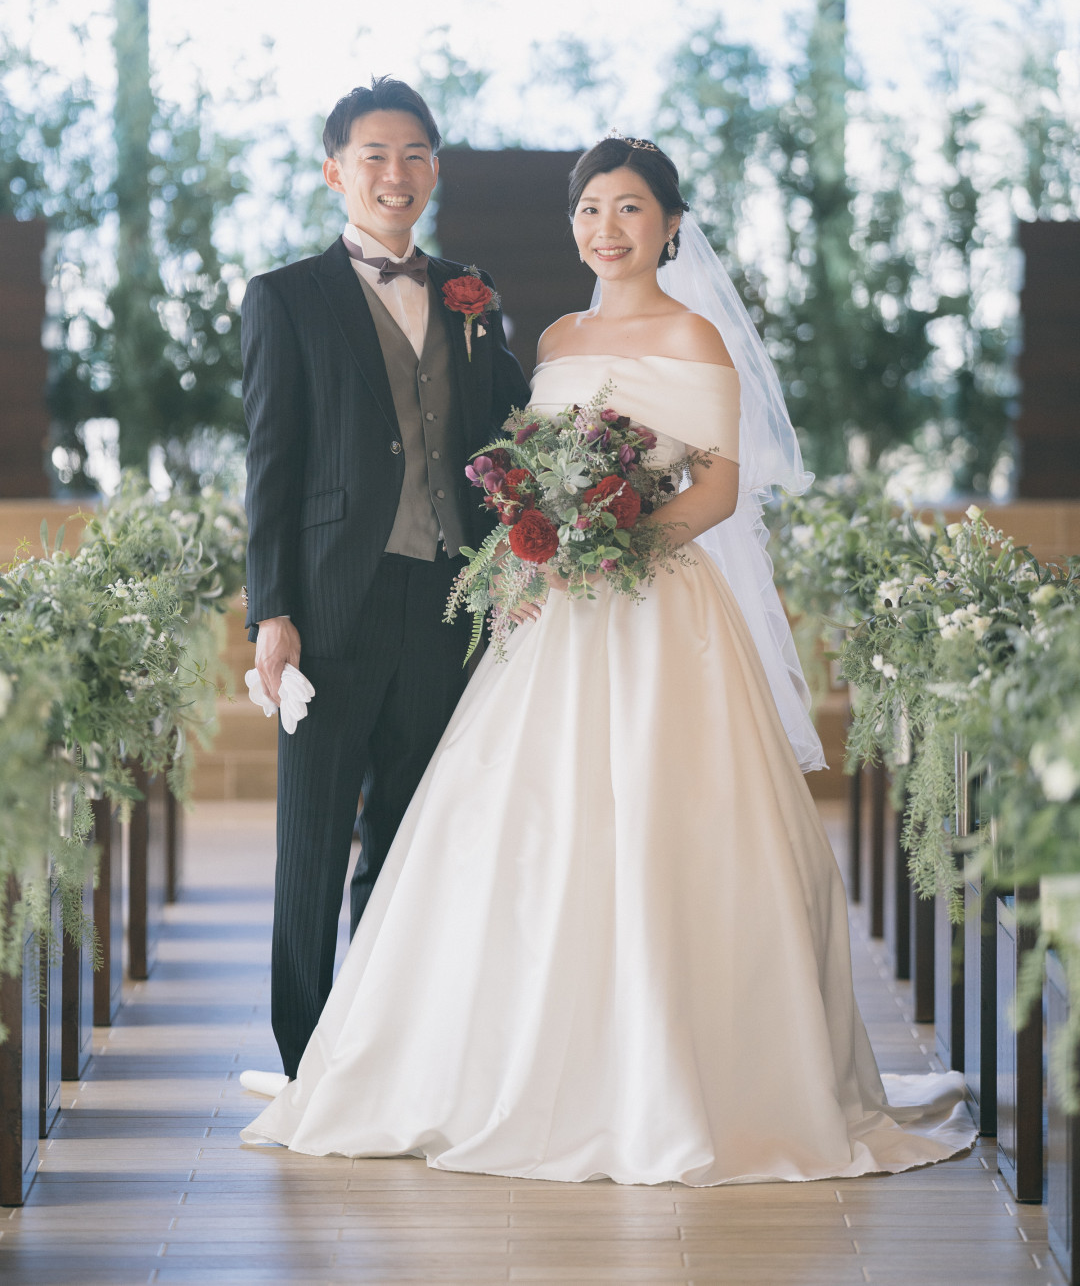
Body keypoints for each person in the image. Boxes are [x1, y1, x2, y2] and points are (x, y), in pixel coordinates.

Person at [241, 135, 974, 1185]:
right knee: (520, 829)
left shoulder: (699, 337)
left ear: (671, 225)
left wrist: (611, 545)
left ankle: (667, 1071)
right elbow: (509, 457)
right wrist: (545, 542)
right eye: (590, 209)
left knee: (667, 826)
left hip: (657, 607)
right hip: (551, 613)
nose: (606, 228)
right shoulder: (548, 332)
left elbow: (717, 492)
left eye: (630, 209)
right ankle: (464, 1058)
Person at [240, 76, 529, 1081]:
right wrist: (270, 613)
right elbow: (269, 469)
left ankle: (384, 1043)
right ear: (336, 171)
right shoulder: (285, 297)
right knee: (313, 841)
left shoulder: (473, 295)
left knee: (410, 839)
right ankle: (303, 1056)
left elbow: (509, 439)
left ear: (434, 170)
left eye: (413, 155)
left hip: (448, 602)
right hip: (329, 604)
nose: (394, 174)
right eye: (373, 155)